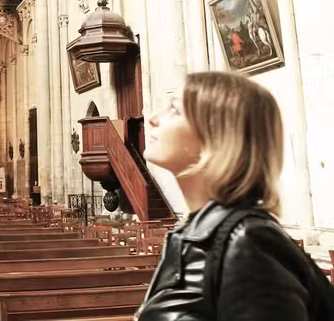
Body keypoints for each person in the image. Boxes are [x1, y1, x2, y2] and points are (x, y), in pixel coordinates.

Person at [134, 71, 333, 320]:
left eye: (174, 110)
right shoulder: (197, 233)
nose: (151, 119)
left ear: (217, 135)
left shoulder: (245, 243)